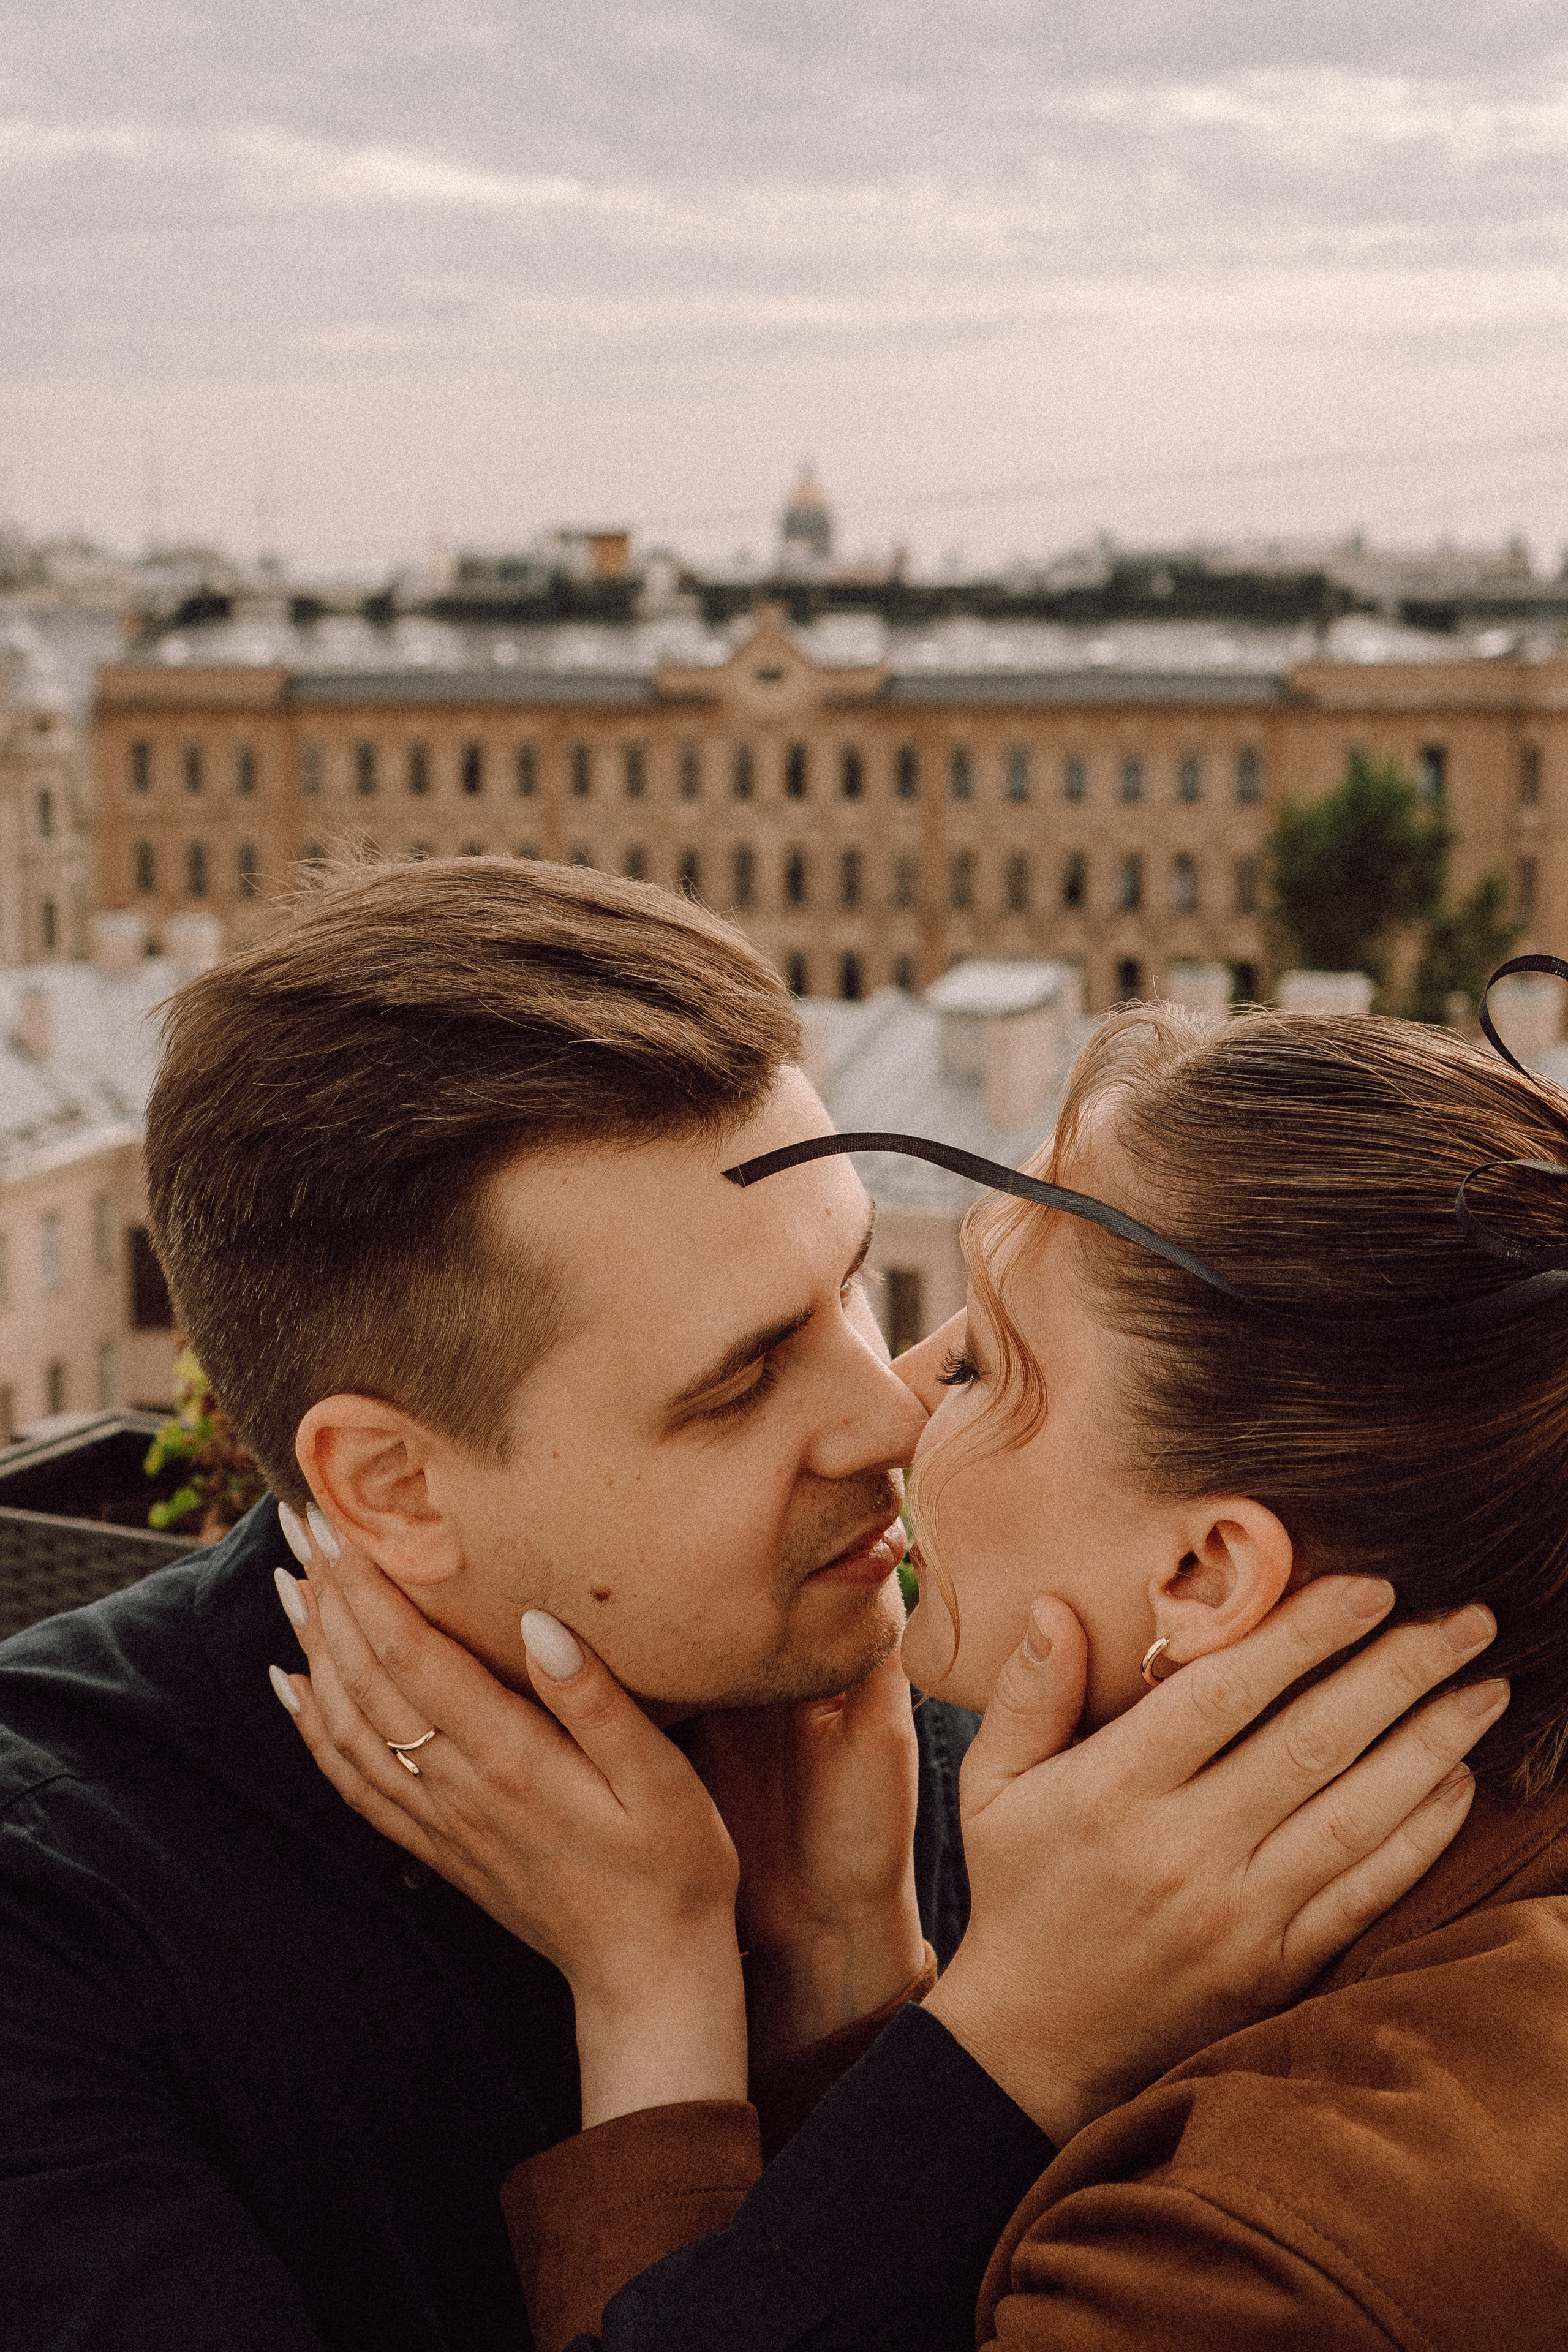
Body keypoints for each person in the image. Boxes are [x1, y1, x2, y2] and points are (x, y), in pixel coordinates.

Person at [0, 859, 1494, 2350]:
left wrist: (852, 1997)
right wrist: (991, 2055)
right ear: (391, 1485)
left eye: (852, 1285)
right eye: (737, 1382)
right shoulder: (54, 1919)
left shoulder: (950, 1708)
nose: (894, 1414)